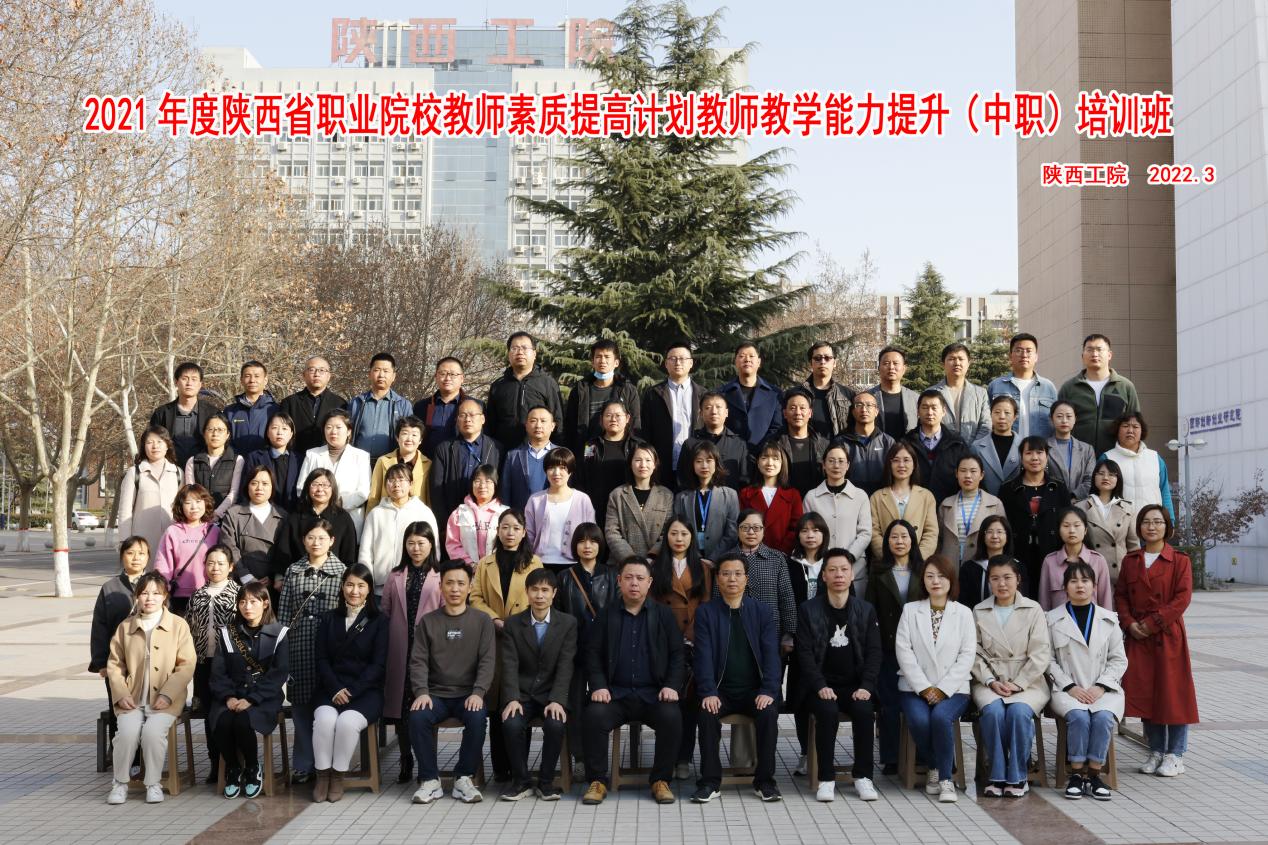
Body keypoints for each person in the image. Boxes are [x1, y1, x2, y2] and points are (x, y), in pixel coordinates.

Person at [580, 556, 686, 806]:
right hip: (615, 694)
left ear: (650, 582)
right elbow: (592, 653)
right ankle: (597, 781)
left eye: (640, 578)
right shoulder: (606, 615)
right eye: (628, 578)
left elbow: (677, 654)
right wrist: (598, 685)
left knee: (672, 717)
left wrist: (671, 685)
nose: (634, 583)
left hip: (653, 693)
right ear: (619, 581)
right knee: (593, 716)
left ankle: (661, 780)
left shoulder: (663, 615)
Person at [692, 553, 784, 803]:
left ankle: (765, 781)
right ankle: (710, 782)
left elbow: (771, 655)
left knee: (768, 714)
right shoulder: (706, 612)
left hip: (755, 691)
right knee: (706, 713)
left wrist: (769, 690)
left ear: (746, 578)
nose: (732, 579)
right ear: (717, 579)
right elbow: (702, 656)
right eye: (725, 574)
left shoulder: (761, 612)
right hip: (720, 691)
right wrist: (708, 691)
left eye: (737, 573)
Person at [1115, 505, 1199, 778]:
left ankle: (1175, 754)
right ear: (1139, 527)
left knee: (1174, 695)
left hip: (1168, 635)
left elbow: (1182, 598)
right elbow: (1121, 595)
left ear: (1167, 527)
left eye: (1158, 522)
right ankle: (1156, 750)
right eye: (1146, 522)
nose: (1152, 527)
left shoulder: (1179, 560)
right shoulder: (1131, 561)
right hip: (1138, 636)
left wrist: (1152, 624)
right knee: (1146, 694)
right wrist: (1129, 623)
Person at [407, 559, 497, 805]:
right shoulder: (428, 621)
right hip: (435, 695)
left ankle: (463, 778)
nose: (455, 589)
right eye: (449, 583)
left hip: (468, 694)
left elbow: (487, 661)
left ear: (470, 587)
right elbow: (418, 661)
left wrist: (478, 692)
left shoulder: (482, 621)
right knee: (417, 716)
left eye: (460, 583)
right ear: (441, 587)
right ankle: (430, 780)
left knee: (477, 717)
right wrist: (421, 692)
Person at [796, 549, 883, 802]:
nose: (839, 575)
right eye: (832, 570)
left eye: (844, 569)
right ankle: (826, 778)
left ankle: (863, 776)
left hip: (856, 685)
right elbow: (804, 654)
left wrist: (867, 685)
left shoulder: (865, 610)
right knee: (826, 711)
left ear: (852, 574)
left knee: (865, 711)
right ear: (823, 576)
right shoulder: (808, 610)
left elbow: (875, 652)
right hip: (821, 686)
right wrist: (819, 685)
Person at [103, 573, 196, 805]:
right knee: (126, 734)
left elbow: (186, 665)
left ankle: (153, 784)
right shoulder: (125, 627)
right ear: (137, 596)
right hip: (132, 699)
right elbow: (115, 665)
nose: (150, 598)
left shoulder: (178, 625)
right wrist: (121, 694)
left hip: (165, 701)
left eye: (156, 593)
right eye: (144, 593)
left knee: (153, 734)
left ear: (165, 596)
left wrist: (168, 694)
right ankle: (120, 783)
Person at [470, 508, 544, 782]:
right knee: (495, 703)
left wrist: (514, 623)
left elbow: (540, 597)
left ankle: (519, 766)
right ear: (498, 531)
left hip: (523, 637)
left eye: (515, 528)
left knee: (518, 700)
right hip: (492, 638)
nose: (510, 532)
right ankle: (500, 768)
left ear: (524, 532)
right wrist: (494, 619)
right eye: (505, 527)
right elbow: (475, 597)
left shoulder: (534, 563)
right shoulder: (485, 563)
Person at [894, 555, 975, 803]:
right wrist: (925, 688)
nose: (935, 581)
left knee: (940, 717)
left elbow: (967, 655)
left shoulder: (963, 613)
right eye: (930, 576)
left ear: (951, 580)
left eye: (941, 576)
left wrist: (942, 689)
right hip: (914, 688)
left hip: (954, 689)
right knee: (920, 721)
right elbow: (903, 651)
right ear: (923, 581)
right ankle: (936, 766)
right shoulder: (910, 610)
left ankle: (945, 780)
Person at [970, 556, 1051, 797]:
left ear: (1018, 579)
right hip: (989, 680)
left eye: (1007, 577)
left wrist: (1018, 684)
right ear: (989, 582)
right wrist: (990, 681)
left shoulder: (1033, 609)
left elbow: (1041, 653)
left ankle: (1018, 776)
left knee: (1018, 712)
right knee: (993, 712)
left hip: (1028, 681)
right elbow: (972, 652)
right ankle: (996, 774)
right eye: (995, 578)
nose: (1002, 583)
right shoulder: (979, 610)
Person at [1047, 562, 1127, 801]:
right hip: (1067, 690)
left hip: (1103, 690)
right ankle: (1076, 775)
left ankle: (1094, 775)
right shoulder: (1052, 619)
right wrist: (1070, 687)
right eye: (1073, 581)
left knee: (1103, 718)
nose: (1079, 586)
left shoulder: (1109, 619)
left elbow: (1119, 659)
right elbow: (1047, 659)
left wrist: (1101, 686)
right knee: (1079, 717)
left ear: (1095, 586)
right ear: (1065, 587)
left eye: (1085, 581)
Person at [277, 519, 348, 785]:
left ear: (332, 541)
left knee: (330, 707)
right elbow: (284, 614)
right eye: (310, 537)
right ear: (303, 540)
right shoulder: (293, 570)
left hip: (331, 648)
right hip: (300, 646)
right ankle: (304, 764)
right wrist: (283, 648)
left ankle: (331, 765)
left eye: (321, 538)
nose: (315, 543)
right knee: (302, 708)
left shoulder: (342, 572)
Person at [311, 563, 388, 802]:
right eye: (350, 585)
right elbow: (321, 658)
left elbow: (378, 665)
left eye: (361, 585)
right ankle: (322, 775)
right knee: (324, 721)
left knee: (346, 723)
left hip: (365, 692)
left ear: (369, 589)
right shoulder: (329, 618)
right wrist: (335, 688)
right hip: (330, 689)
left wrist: (352, 691)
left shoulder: (379, 620)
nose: (355, 591)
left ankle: (337, 776)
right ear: (342, 587)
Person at [499, 568, 578, 801]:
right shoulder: (513, 624)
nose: (540, 595)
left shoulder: (567, 623)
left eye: (545, 590)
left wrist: (557, 700)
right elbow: (509, 664)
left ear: (554, 593)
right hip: (522, 694)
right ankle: (521, 781)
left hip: (551, 694)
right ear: (527, 592)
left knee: (555, 724)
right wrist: (512, 698)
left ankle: (546, 782)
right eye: (534, 590)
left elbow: (566, 665)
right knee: (511, 723)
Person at [207, 580, 289, 799]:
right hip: (231, 695)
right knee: (221, 722)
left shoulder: (279, 633)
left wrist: (252, 699)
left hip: (263, 698)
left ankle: (252, 767)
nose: (247, 606)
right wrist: (228, 697)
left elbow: (278, 674)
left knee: (243, 721)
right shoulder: (227, 633)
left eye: (253, 601)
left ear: (265, 603)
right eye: (242, 602)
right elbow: (218, 671)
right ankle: (233, 768)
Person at [650, 517, 713, 779]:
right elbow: (652, 606)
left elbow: (706, 605)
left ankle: (684, 758)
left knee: (689, 702)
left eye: (684, 534)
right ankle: (667, 757)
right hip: (663, 642)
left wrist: (690, 636)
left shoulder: (703, 567)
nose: (679, 539)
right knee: (667, 701)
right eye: (674, 533)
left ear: (692, 537)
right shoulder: (655, 567)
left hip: (693, 642)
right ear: (666, 536)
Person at [381, 522, 444, 784]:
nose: (416, 548)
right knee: (402, 708)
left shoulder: (440, 575)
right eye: (411, 543)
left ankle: (426, 761)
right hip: (400, 647)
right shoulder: (395, 575)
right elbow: (385, 611)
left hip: (429, 648)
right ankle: (406, 758)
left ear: (431, 544)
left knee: (424, 704)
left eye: (421, 543)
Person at [865, 519, 925, 778]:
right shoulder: (878, 571)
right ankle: (891, 757)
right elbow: (871, 608)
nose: (899, 541)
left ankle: (921, 754)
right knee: (889, 704)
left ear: (912, 540)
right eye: (894, 537)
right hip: (888, 646)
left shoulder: (924, 570)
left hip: (919, 648)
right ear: (887, 542)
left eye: (904, 536)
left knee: (919, 701)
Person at [186, 545, 240, 778]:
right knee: (210, 715)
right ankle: (215, 763)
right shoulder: (197, 595)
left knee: (229, 713)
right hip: (203, 664)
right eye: (210, 563)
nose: (215, 567)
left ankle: (234, 762)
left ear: (231, 567)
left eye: (220, 563)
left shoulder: (240, 594)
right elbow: (188, 629)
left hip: (230, 666)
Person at [1000, 437, 1071, 597]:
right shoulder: (1008, 489)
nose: (1034, 458)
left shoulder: (1059, 488)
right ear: (1021, 456)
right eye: (1029, 453)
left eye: (1039, 452)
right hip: (1018, 555)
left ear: (1047, 456)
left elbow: (1067, 522)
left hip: (1052, 555)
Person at [787, 512, 828, 773]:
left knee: (826, 699)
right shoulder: (789, 563)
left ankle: (824, 752)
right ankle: (804, 751)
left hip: (829, 645)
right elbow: (784, 600)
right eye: (805, 530)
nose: (810, 535)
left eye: (816, 530)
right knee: (801, 698)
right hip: (799, 643)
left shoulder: (833, 562)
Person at [1058, 333, 1144, 457]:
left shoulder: (1125, 387)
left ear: (1109, 355)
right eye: (1089, 350)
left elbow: (1136, 424)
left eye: (1099, 349)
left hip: (1117, 457)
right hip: (1077, 457)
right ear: (1082, 356)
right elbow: (1058, 425)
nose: (1094, 354)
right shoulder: (1069, 388)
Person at [802, 445, 871, 595]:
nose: (836, 465)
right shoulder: (811, 497)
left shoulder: (860, 496)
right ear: (823, 465)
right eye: (831, 461)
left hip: (855, 569)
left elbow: (865, 533)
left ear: (848, 465)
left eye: (841, 461)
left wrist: (849, 557)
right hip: (821, 568)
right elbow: (807, 533)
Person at [273, 469, 358, 587]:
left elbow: (349, 553)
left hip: (334, 581)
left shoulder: (343, 518)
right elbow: (284, 549)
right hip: (299, 580)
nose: (320, 489)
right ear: (308, 487)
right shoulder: (296, 516)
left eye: (325, 485)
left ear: (333, 488)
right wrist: (279, 576)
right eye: (315, 484)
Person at [359, 464, 439, 591]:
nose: (396, 484)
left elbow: (434, 550)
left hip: (415, 587)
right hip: (380, 587)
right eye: (391, 480)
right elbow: (365, 552)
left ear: (411, 484)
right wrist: (367, 582)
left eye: (401, 480)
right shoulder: (376, 514)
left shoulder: (423, 512)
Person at [430, 398, 503, 534]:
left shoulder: (497, 449)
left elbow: (502, 487)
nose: (467, 419)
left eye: (472, 415)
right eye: (462, 415)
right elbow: (436, 491)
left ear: (482, 419)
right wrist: (444, 525)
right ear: (457, 420)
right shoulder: (444, 449)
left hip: (488, 524)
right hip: (454, 521)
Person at [484, 331, 565, 454]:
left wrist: (557, 452)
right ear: (509, 354)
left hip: (539, 452)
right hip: (503, 451)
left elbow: (558, 420)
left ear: (534, 353)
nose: (520, 352)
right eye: (515, 348)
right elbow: (490, 423)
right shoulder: (498, 385)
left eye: (524, 348)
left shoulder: (547, 383)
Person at [731, 510, 799, 655]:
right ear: (737, 530)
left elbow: (786, 597)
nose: (751, 532)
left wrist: (788, 635)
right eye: (745, 527)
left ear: (763, 531)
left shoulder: (777, 558)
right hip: (734, 632)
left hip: (771, 632)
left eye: (756, 528)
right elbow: (718, 598)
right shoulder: (727, 559)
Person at [296, 409, 372, 536]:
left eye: (338, 427)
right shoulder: (312, 454)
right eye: (329, 427)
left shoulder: (361, 456)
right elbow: (301, 488)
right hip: (316, 519)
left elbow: (363, 492)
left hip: (349, 517)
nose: (333, 432)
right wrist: (320, 505)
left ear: (349, 431)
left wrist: (337, 504)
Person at [640, 342, 704, 491]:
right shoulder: (653, 394)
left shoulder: (703, 395)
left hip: (694, 466)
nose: (678, 362)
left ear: (691, 363)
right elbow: (645, 431)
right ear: (666, 364)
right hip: (662, 466)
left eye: (682, 358)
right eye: (673, 358)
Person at [563, 339, 643, 455]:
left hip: (621, 450)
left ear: (616, 362)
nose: (602, 361)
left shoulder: (628, 390)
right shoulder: (580, 390)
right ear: (592, 361)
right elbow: (570, 425)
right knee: (589, 464)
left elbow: (635, 424)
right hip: (589, 448)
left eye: (607, 357)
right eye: (598, 356)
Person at [153, 484, 220, 615]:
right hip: (179, 597)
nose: (194, 507)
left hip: (210, 594)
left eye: (198, 501)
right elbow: (163, 564)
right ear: (181, 506)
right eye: (188, 503)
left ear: (206, 503)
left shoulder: (215, 531)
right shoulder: (172, 532)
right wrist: (162, 589)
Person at [118, 426, 183, 562]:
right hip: (141, 543)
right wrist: (125, 541)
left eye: (160, 441)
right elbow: (125, 511)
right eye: (150, 442)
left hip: (171, 540)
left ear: (167, 445)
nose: (155, 446)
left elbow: (183, 508)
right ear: (144, 446)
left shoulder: (178, 473)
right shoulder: (134, 473)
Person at [869, 441, 940, 563]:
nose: (901, 465)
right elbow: (874, 532)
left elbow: (931, 533)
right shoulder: (877, 497)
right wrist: (888, 558)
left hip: (917, 564)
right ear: (889, 464)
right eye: (896, 460)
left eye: (906, 460)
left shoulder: (926, 496)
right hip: (886, 564)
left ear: (914, 464)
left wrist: (918, 559)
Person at [525, 447, 596, 569]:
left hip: (574, 564)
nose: (556, 473)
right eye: (551, 468)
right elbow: (528, 535)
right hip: (540, 564)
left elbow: (591, 534)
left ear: (570, 471)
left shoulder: (582, 500)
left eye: (562, 468)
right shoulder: (535, 500)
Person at [90, 537, 150, 678]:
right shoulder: (109, 587)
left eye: (141, 553)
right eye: (130, 553)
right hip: (117, 659)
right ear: (122, 556)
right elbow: (99, 626)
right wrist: (102, 663)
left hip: (150, 659)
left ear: (148, 557)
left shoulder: (157, 585)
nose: (136, 558)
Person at [604, 442, 674, 563]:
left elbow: (668, 532)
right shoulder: (617, 495)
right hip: (623, 564)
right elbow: (612, 532)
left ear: (655, 464)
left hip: (655, 563)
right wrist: (631, 560)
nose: (643, 465)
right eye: (638, 460)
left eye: (648, 460)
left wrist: (652, 557)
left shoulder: (666, 495)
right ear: (630, 464)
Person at [673, 440, 740, 565]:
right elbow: (677, 531)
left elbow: (732, 534)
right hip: (689, 561)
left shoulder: (730, 495)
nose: (704, 466)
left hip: (721, 561)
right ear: (692, 465)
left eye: (709, 461)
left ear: (716, 463)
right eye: (699, 461)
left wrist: (712, 559)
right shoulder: (681, 497)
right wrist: (695, 558)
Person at [219, 465, 286, 586]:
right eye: (254, 483)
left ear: (272, 487)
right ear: (247, 486)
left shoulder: (282, 516)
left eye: (265, 484)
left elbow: (284, 551)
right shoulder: (233, 514)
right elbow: (228, 546)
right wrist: (245, 576)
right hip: (240, 582)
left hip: (271, 584)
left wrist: (274, 576)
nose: (259, 488)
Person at [903, 389, 973, 504]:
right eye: (925, 407)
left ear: (943, 411)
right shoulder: (906, 443)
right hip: (914, 506)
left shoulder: (957, 443)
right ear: (918, 411)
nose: (930, 412)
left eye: (934, 408)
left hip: (949, 506)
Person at [1102, 412, 1174, 520]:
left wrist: (1170, 520)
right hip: (1118, 525)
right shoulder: (1107, 458)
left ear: (1142, 431)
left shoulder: (1155, 458)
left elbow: (1165, 491)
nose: (1130, 430)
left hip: (1151, 524)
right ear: (1117, 430)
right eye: (1125, 426)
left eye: (1135, 427)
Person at [1039, 507, 1113, 611]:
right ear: (1059, 530)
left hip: (1092, 620)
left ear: (1085, 530)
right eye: (1066, 526)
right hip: (1057, 620)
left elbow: (1106, 601)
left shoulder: (1098, 560)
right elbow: (1044, 601)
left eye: (1077, 525)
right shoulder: (1050, 561)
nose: (1071, 530)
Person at [987, 333, 1059, 439]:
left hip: (1039, 448)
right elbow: (987, 422)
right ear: (1010, 356)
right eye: (1018, 350)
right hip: (1005, 447)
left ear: (1036, 356)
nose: (1024, 355)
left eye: (1029, 351)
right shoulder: (996, 386)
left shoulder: (1048, 387)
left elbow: (1056, 422)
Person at [937, 454, 1005, 565]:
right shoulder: (946, 504)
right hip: (949, 565)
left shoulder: (995, 504)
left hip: (982, 564)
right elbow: (938, 539)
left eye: (973, 471)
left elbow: (1003, 538)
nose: (968, 475)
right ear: (956, 474)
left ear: (981, 475)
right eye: (963, 471)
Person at [149, 362, 222, 466]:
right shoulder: (162, 414)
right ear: (176, 382)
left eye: (194, 379)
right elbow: (152, 443)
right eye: (185, 378)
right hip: (170, 469)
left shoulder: (212, 413)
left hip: (203, 468)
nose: (189, 383)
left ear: (200, 384)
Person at [1080, 459, 1140, 583]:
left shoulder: (1128, 509)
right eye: (1101, 473)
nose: (1105, 477)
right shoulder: (1081, 507)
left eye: (1111, 474)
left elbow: (1133, 547)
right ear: (1094, 477)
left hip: (1121, 576)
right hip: (1089, 574)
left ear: (1118, 479)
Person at [347, 352, 414, 464]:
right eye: (377, 370)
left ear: (393, 376)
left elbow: (409, 435)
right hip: (358, 462)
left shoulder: (403, 405)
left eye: (386, 371)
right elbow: (347, 433)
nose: (381, 375)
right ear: (370, 374)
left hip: (390, 464)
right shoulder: (357, 403)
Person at [719, 342, 783, 456]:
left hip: (763, 456)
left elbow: (777, 427)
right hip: (730, 455)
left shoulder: (774, 394)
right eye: (742, 356)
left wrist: (762, 450)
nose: (747, 359)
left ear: (759, 362)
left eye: (751, 356)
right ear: (735, 361)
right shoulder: (722, 393)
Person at [578, 400, 636, 527]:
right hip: (597, 507)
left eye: (618, 415)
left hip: (628, 508)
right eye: (608, 415)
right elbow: (583, 473)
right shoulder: (591, 446)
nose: (613, 419)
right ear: (601, 419)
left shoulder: (636, 446)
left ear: (627, 418)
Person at [739, 440, 803, 555]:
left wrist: (780, 553)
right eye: (764, 458)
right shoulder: (746, 494)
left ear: (782, 463)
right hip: (752, 555)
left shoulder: (793, 495)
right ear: (758, 462)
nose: (769, 463)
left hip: (783, 556)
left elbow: (796, 528)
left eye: (775, 458)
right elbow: (742, 526)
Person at [679, 390, 752, 490]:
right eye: (708, 407)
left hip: (730, 498)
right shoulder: (690, 444)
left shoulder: (739, 444)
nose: (714, 411)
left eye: (718, 407)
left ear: (726, 412)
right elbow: (682, 479)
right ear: (701, 413)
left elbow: (745, 481)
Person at [279, 356, 347, 457]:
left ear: (329, 376)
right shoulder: (289, 403)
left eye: (322, 370)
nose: (316, 374)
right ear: (303, 375)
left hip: (329, 458)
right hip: (296, 458)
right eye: (311, 370)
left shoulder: (340, 403)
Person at [444, 464, 508, 568]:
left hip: (497, 570)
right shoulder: (459, 513)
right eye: (477, 481)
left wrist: (492, 565)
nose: (482, 486)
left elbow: (511, 544)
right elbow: (453, 545)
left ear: (495, 485)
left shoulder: (505, 513)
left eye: (488, 481)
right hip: (467, 571)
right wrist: (471, 565)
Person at [366, 415, 432, 512]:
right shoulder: (383, 461)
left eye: (414, 435)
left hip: (416, 516)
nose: (409, 439)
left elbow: (429, 500)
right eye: (405, 433)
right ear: (397, 437)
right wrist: (369, 517)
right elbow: (374, 496)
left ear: (420, 440)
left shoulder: (428, 464)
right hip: (387, 514)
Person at [835, 392, 895, 497]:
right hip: (850, 499)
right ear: (853, 411)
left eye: (869, 405)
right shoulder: (841, 442)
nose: (864, 409)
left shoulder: (888, 442)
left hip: (882, 499)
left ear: (876, 411)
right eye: (859, 405)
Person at [501, 405, 560, 511]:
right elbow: (505, 491)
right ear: (526, 425)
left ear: (552, 426)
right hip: (520, 516)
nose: (538, 425)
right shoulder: (513, 456)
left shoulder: (561, 455)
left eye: (543, 421)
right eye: (533, 421)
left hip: (553, 515)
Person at [185, 414, 243, 519]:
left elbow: (234, 493)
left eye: (220, 430)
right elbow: (191, 494)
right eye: (210, 429)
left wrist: (217, 514)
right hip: (199, 519)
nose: (215, 434)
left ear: (227, 434)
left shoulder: (237, 460)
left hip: (227, 519)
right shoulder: (193, 461)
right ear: (204, 434)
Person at [931, 342, 991, 444]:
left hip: (973, 450)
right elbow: (928, 426)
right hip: (941, 450)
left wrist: (973, 449)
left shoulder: (981, 394)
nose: (957, 363)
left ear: (968, 363)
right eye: (951, 359)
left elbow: (986, 426)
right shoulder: (931, 393)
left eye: (961, 359)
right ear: (943, 364)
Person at [242, 412, 301, 511]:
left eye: (284, 428)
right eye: (274, 428)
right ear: (268, 433)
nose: (279, 432)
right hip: (262, 512)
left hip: (293, 513)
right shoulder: (254, 457)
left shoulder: (299, 460)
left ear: (291, 434)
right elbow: (245, 489)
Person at [776, 387, 829, 496]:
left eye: (802, 408)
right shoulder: (775, 443)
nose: (798, 412)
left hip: (815, 501)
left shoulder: (824, 445)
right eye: (792, 408)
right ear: (785, 413)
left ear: (810, 413)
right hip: (785, 500)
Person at [413, 356, 468, 460]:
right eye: (443, 374)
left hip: (461, 463)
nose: (447, 378)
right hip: (428, 463)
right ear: (436, 376)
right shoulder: (421, 406)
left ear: (462, 378)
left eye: (453, 374)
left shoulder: (474, 406)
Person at [802, 341, 856, 439]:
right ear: (810, 363)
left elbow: (855, 428)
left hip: (839, 447)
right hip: (805, 448)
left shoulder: (848, 395)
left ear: (834, 363)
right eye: (817, 358)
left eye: (827, 358)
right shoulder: (797, 394)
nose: (822, 362)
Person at [223, 360, 279, 456]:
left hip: (266, 462)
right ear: (241, 380)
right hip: (236, 462)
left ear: (265, 380)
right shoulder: (230, 412)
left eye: (257, 376)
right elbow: (224, 441)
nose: (252, 380)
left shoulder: (276, 410)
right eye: (247, 376)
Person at [960, 514, 1013, 608]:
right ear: (982, 536)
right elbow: (963, 603)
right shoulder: (969, 568)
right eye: (990, 532)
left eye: (999, 532)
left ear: (1007, 536)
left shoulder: (1017, 566)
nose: (995, 536)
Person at [971, 395, 1021, 495]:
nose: (1002, 417)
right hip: (986, 501)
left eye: (1007, 413)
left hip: (1017, 501)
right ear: (991, 415)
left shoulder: (1024, 446)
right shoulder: (976, 447)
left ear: (1015, 416)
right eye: (997, 412)